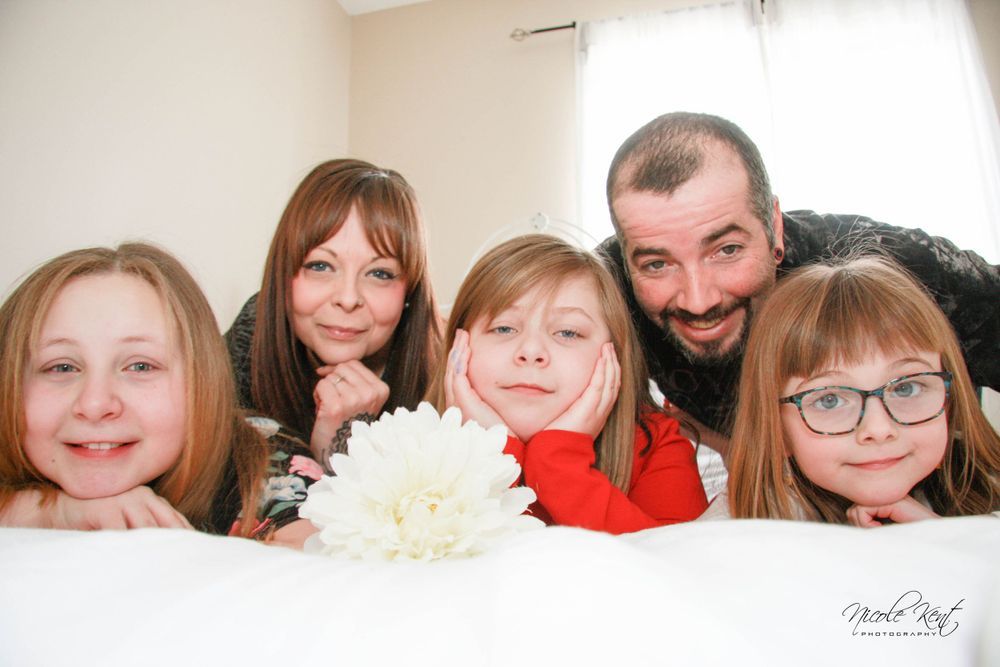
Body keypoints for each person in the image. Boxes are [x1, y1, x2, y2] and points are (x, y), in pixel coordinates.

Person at [598, 111, 1000, 451]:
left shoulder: (884, 263)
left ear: (773, 225)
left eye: (728, 250)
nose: (699, 301)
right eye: (656, 265)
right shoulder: (601, 288)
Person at [0, 243, 322, 546]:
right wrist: (55, 513)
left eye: (140, 366)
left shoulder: (262, 455)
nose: (95, 404)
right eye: (62, 367)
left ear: (201, 382)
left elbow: (308, 563)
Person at [428, 234, 707, 534]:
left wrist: (557, 462)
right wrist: (494, 450)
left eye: (567, 333)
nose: (531, 351)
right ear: (459, 345)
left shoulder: (658, 445)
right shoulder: (413, 448)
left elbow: (672, 570)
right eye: (504, 327)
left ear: (613, 354)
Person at [721, 256, 1000, 524]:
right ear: (777, 428)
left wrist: (946, 539)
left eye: (906, 388)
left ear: (949, 401)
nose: (878, 430)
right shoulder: (733, 536)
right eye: (829, 400)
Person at [226, 159, 441, 471]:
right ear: (284, 276)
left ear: (410, 290)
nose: (348, 298)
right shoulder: (249, 340)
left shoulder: (449, 375)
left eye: (379, 273)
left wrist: (341, 448)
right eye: (321, 266)